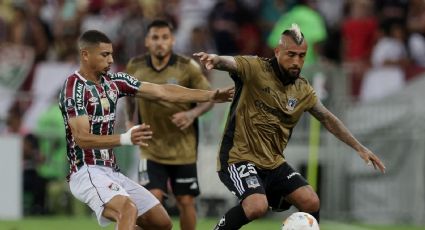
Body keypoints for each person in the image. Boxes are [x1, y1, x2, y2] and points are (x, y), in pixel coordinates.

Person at [194, 23, 386, 229]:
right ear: (277, 52)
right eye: (291, 54)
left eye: (301, 56)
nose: (296, 61)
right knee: (256, 206)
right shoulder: (256, 68)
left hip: (273, 163)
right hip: (238, 157)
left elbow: (328, 118)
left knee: (311, 201)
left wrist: (359, 147)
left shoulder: (303, 89)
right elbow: (231, 63)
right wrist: (215, 59)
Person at [58, 30, 233, 230]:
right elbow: (82, 139)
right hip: (86, 170)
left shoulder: (114, 83)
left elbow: (163, 91)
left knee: (161, 224)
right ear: (85, 55)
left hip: (111, 172)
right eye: (104, 55)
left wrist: (210, 96)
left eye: (112, 54)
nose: (111, 60)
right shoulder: (74, 88)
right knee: (128, 210)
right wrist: (125, 139)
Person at [125, 19, 212, 230]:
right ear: (147, 41)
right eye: (155, 38)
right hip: (151, 148)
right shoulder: (135, 67)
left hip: (183, 148)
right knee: (151, 201)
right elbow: (128, 96)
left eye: (165, 37)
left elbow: (208, 97)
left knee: (185, 201)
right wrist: (129, 121)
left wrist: (192, 114)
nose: (160, 42)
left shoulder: (187, 67)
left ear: (172, 40)